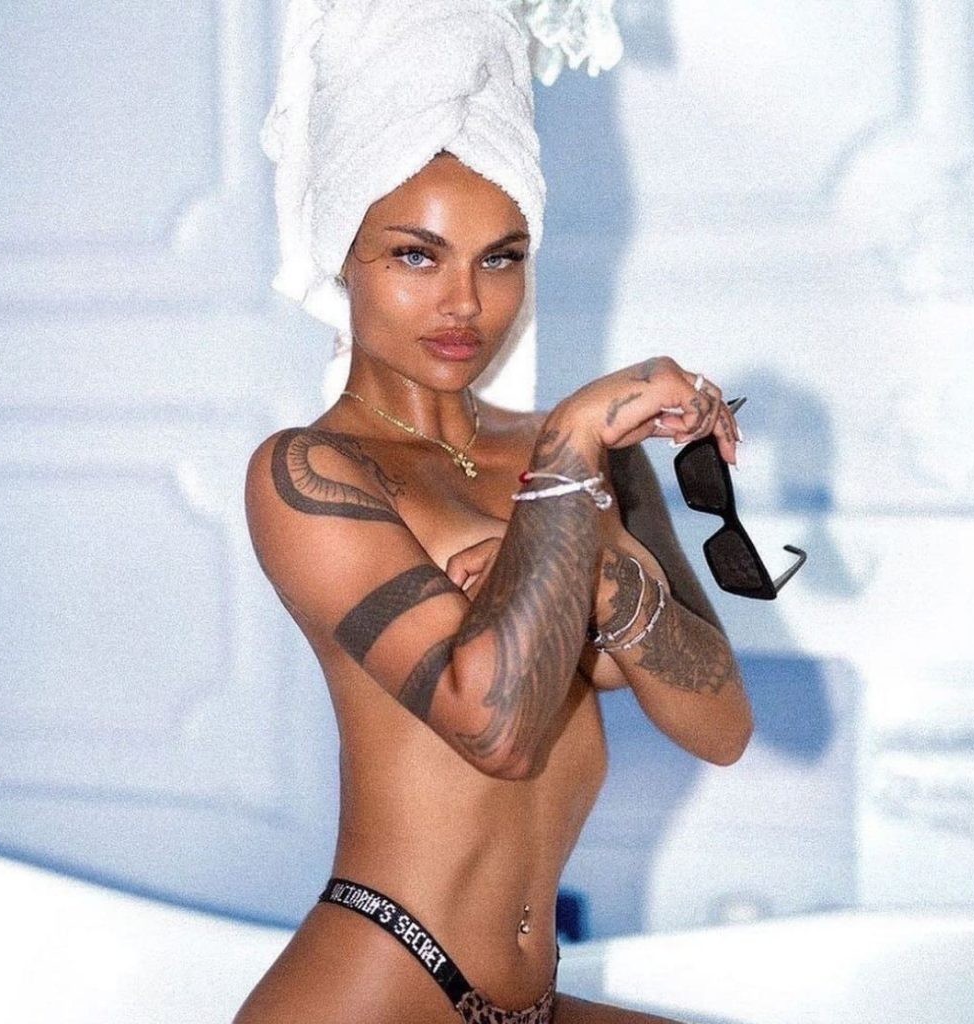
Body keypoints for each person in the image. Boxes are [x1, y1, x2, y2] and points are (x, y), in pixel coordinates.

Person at [236, 3, 752, 1022]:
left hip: (533, 995)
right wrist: (571, 452)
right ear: (344, 253)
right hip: (381, 978)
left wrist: (600, 569)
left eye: (501, 257)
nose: (465, 304)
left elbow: (721, 723)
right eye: (415, 255)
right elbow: (496, 730)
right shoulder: (311, 472)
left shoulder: (585, 466)